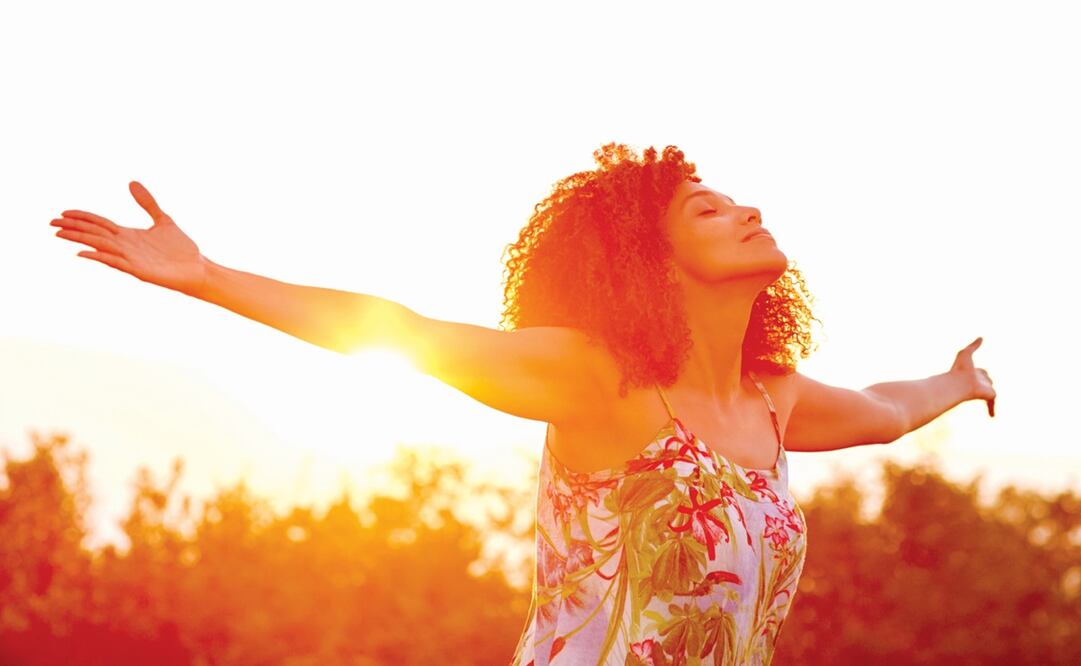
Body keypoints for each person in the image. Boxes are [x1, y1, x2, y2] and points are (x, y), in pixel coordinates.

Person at [49, 142, 996, 665]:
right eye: (707, 210)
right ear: (646, 263)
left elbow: (881, 407)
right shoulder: (597, 380)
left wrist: (960, 382)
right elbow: (400, 327)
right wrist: (210, 277)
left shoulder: (772, 401)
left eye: (738, 201)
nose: (746, 211)